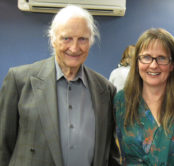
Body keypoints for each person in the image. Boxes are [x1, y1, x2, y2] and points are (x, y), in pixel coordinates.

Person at [0, 5, 119, 166]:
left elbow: (110, 153)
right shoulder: (19, 81)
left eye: (82, 39)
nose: (74, 48)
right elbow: (2, 147)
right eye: (66, 38)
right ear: (53, 39)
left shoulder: (105, 90)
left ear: (90, 42)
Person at [114, 28, 174, 165]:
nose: (153, 65)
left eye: (162, 58)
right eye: (146, 57)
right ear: (137, 61)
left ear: (173, 64)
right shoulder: (122, 101)